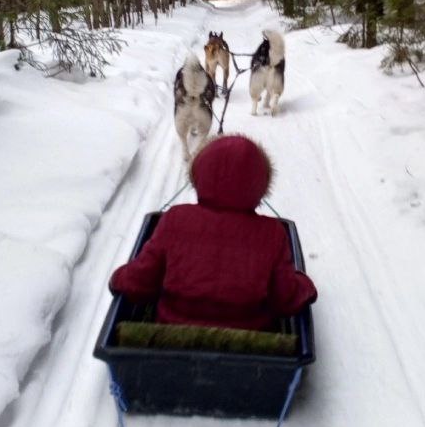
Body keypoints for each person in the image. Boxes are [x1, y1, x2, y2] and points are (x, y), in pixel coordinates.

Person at [109, 135, 317, 331]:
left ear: (199, 174)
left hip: (171, 335)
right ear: (260, 185)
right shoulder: (273, 233)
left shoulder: (174, 219)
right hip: (248, 342)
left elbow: (141, 283)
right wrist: (304, 286)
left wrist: (119, 278)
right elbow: (285, 300)